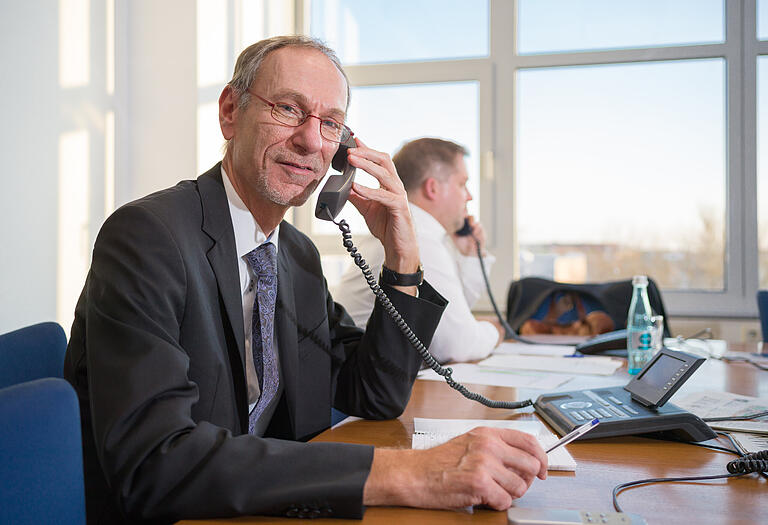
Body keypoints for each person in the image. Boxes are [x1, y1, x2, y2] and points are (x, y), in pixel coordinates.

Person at [63, 36, 547, 524]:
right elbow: (156, 463)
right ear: (230, 111)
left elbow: (372, 392)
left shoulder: (295, 255)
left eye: (331, 123)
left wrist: (403, 259)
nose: (312, 141)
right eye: (289, 109)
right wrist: (409, 473)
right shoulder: (149, 237)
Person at [334, 138, 505, 363]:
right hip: (361, 379)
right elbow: (456, 345)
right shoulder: (416, 235)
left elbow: (446, 319)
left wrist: (471, 256)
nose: (469, 196)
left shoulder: (415, 229)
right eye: (462, 184)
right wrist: (495, 331)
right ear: (432, 188)